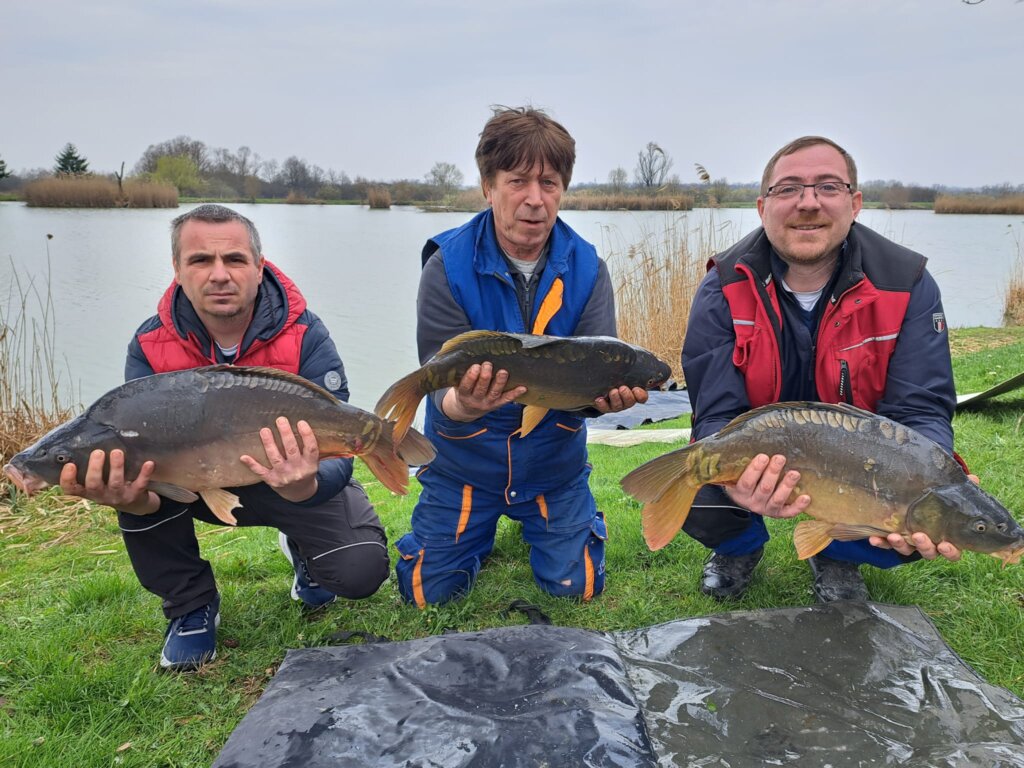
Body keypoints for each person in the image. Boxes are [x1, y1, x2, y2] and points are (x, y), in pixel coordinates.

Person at [58, 204, 389, 671]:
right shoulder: (150, 345)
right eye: (200, 261)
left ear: (258, 266)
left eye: (234, 259)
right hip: (191, 485)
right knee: (133, 483)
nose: (219, 274)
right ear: (177, 270)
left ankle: (304, 551)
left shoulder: (305, 333)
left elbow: (338, 453)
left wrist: (305, 485)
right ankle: (190, 607)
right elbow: (136, 447)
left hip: (285, 480)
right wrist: (131, 498)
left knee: (359, 571)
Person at [680, 136, 965, 603]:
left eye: (827, 187)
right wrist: (739, 487)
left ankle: (837, 553)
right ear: (762, 206)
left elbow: (922, 407)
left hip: (854, 460)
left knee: (919, 510)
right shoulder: (723, 285)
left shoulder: (906, 282)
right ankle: (739, 548)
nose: (808, 202)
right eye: (788, 188)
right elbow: (714, 412)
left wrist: (933, 476)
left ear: (854, 203)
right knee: (698, 484)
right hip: (760, 449)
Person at [395, 106, 647, 607]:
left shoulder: (588, 268)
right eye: (517, 182)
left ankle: (568, 519)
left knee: (579, 589)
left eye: (549, 183)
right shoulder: (446, 264)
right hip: (465, 460)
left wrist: (603, 402)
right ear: (488, 187)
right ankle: (475, 527)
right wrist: (463, 404)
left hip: (553, 465)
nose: (535, 200)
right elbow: (441, 380)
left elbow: (595, 372)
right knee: (425, 594)